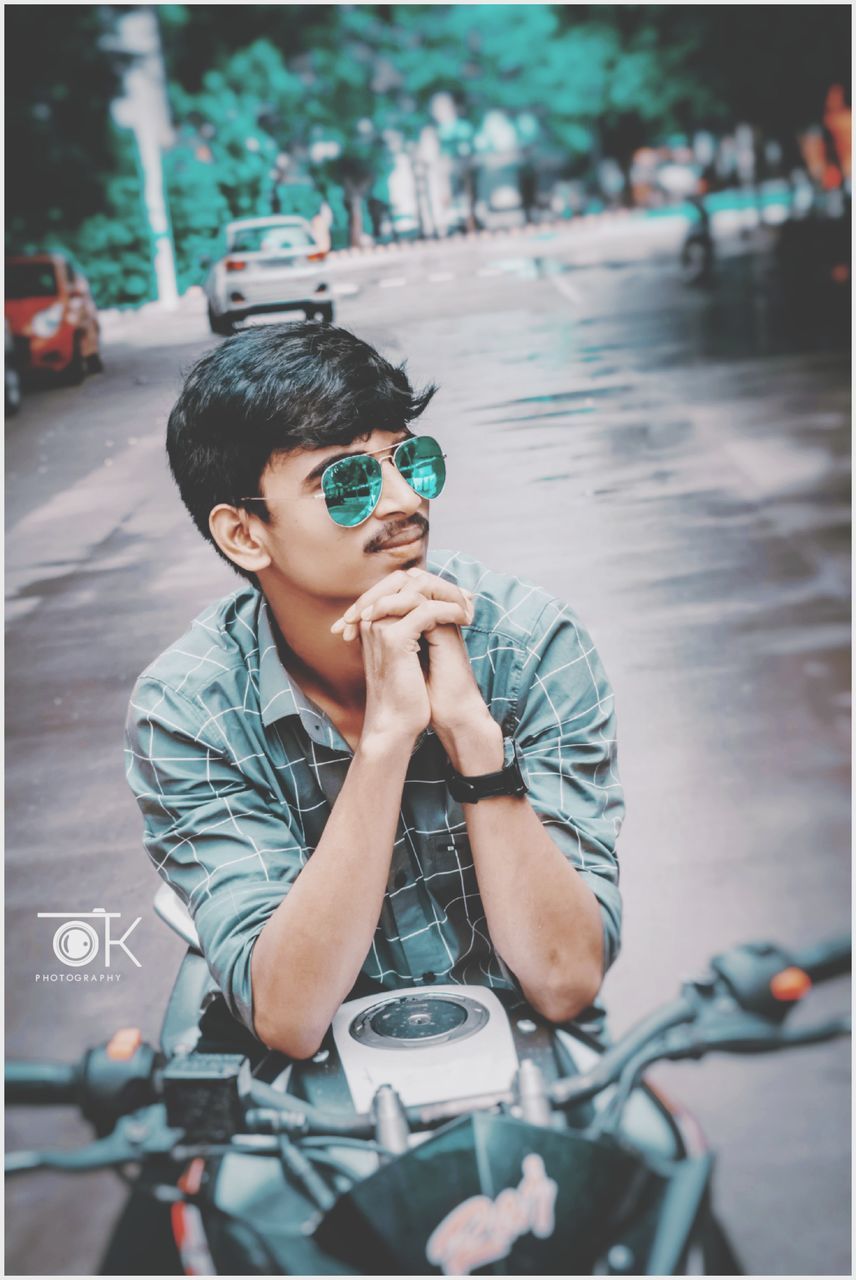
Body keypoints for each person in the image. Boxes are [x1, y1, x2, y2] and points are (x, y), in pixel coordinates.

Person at [125, 323, 624, 1059]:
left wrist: (474, 742)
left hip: (534, 1062)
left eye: (408, 461)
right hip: (305, 1113)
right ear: (244, 535)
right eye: (348, 481)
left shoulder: (528, 646)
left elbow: (566, 980)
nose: (402, 501)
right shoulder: (189, 712)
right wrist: (387, 743)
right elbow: (290, 1018)